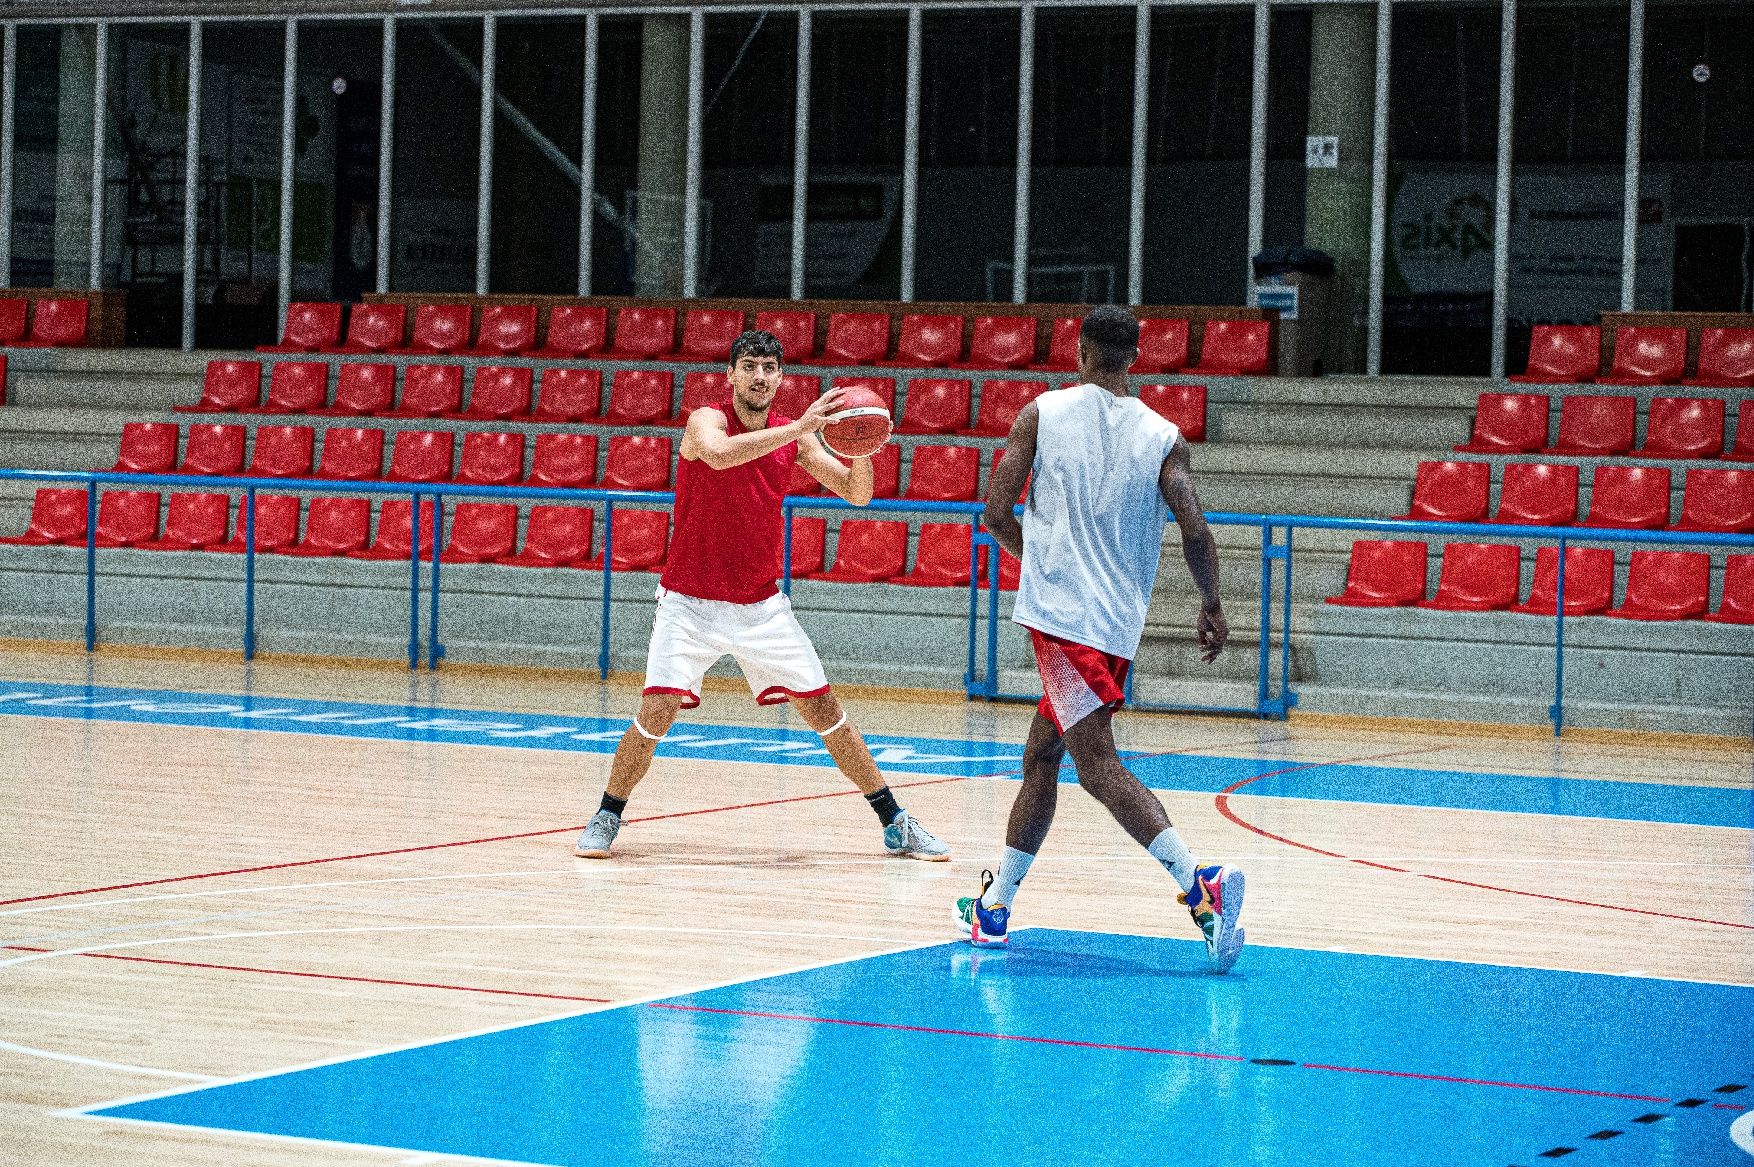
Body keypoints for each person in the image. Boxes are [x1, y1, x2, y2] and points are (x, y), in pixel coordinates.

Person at [575, 330, 950, 862]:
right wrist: (799, 428)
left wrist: (863, 447)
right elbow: (720, 455)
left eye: (769, 368)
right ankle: (607, 815)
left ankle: (896, 821)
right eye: (748, 366)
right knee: (656, 711)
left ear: (780, 376)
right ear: (730, 374)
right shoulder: (707, 419)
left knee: (825, 711)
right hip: (689, 602)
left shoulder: (792, 437)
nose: (758, 376)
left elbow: (857, 492)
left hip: (760, 605)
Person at [954, 306, 1243, 971]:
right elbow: (1196, 529)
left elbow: (996, 511)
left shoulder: (1042, 414)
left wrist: (1040, 563)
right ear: (1135, 357)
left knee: (1097, 764)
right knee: (1040, 756)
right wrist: (1211, 603)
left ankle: (1203, 890)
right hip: (1114, 625)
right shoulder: (1164, 435)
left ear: (1078, 349)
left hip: (1065, 624)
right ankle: (996, 908)